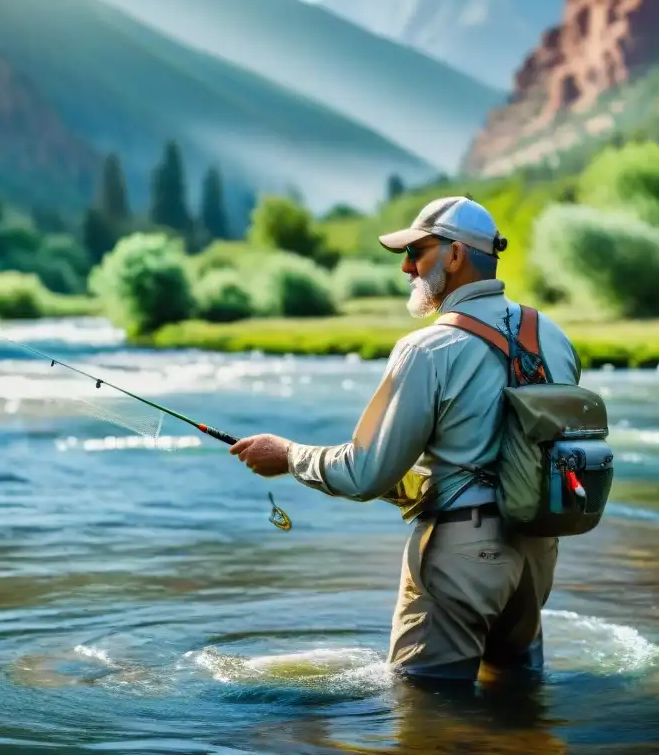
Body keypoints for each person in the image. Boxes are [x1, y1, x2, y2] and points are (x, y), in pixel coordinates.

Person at [229, 196, 582, 683]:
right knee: (516, 695)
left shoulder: (427, 348)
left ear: (454, 255)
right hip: (538, 550)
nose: (406, 267)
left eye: (417, 252)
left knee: (423, 703)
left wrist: (288, 456)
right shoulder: (555, 338)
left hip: (462, 552)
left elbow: (365, 473)